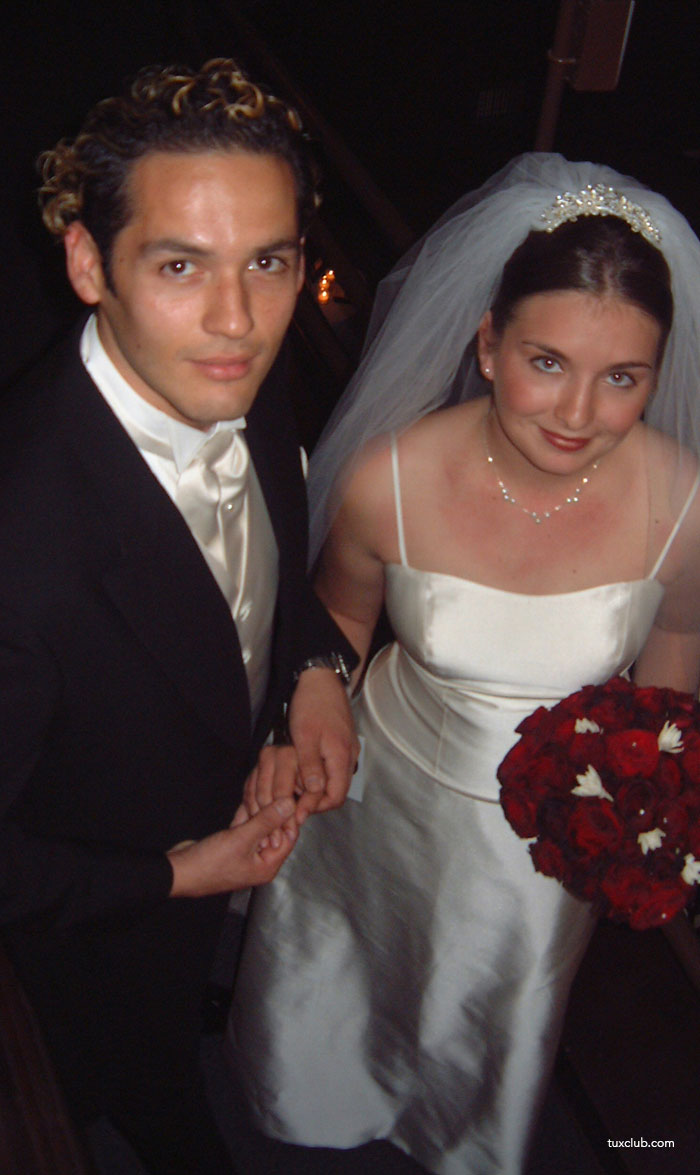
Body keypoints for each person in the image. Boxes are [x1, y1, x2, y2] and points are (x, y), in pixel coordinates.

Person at [227, 154, 700, 1174]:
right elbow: (338, 623)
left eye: (622, 378)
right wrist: (308, 716)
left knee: (490, 1023)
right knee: (345, 984)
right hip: (381, 792)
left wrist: (649, 800)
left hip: (547, 848)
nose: (577, 412)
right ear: (487, 345)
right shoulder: (390, 477)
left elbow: (672, 662)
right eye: (546, 361)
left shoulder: (683, 503)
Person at [0, 59, 357, 1175]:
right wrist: (177, 875)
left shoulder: (229, 367)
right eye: (178, 264)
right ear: (86, 263)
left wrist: (310, 674)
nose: (238, 318)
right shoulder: (21, 545)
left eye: (269, 260)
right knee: (111, 1074)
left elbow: (260, 572)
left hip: (197, 858)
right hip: (78, 922)